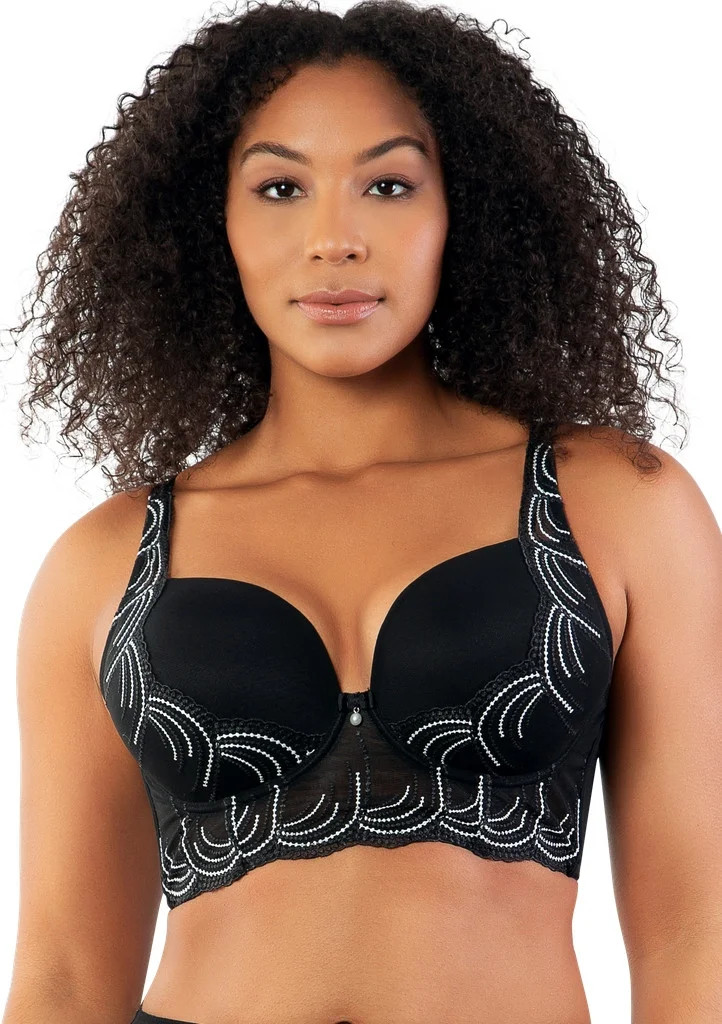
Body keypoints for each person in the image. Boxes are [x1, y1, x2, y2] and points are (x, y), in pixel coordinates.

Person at [3, 1, 721, 1022]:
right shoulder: (106, 561)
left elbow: (697, 930)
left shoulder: (616, 504)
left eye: (387, 185)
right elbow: (65, 975)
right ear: (209, 224)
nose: (333, 239)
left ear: (463, 210)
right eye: (280, 188)